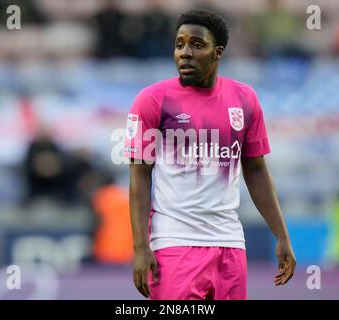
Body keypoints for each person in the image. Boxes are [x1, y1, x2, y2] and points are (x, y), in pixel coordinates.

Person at [124, 10, 296, 300]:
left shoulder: (245, 99)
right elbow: (139, 176)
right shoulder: (152, 100)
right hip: (174, 241)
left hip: (230, 243)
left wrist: (281, 235)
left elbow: (255, 170)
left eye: (196, 45)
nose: (185, 53)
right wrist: (141, 248)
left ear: (218, 53)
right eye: (179, 45)